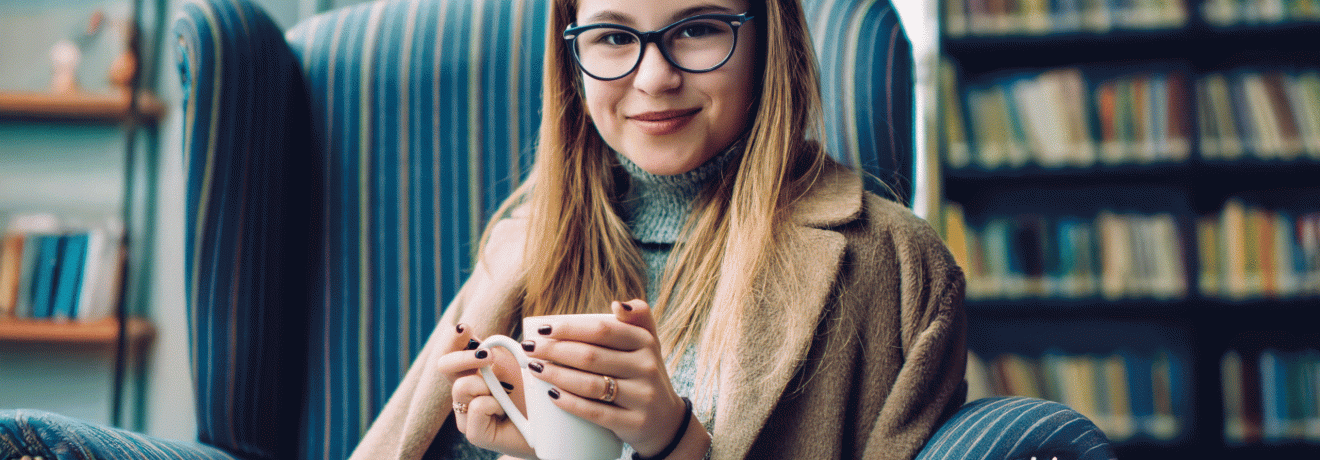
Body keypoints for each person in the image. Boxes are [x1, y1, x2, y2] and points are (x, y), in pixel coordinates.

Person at [349, 0, 967, 458]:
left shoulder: (899, 268)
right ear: (573, 59)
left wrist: (675, 443)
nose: (653, 78)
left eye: (697, 28)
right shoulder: (519, 244)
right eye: (614, 37)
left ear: (769, 41)